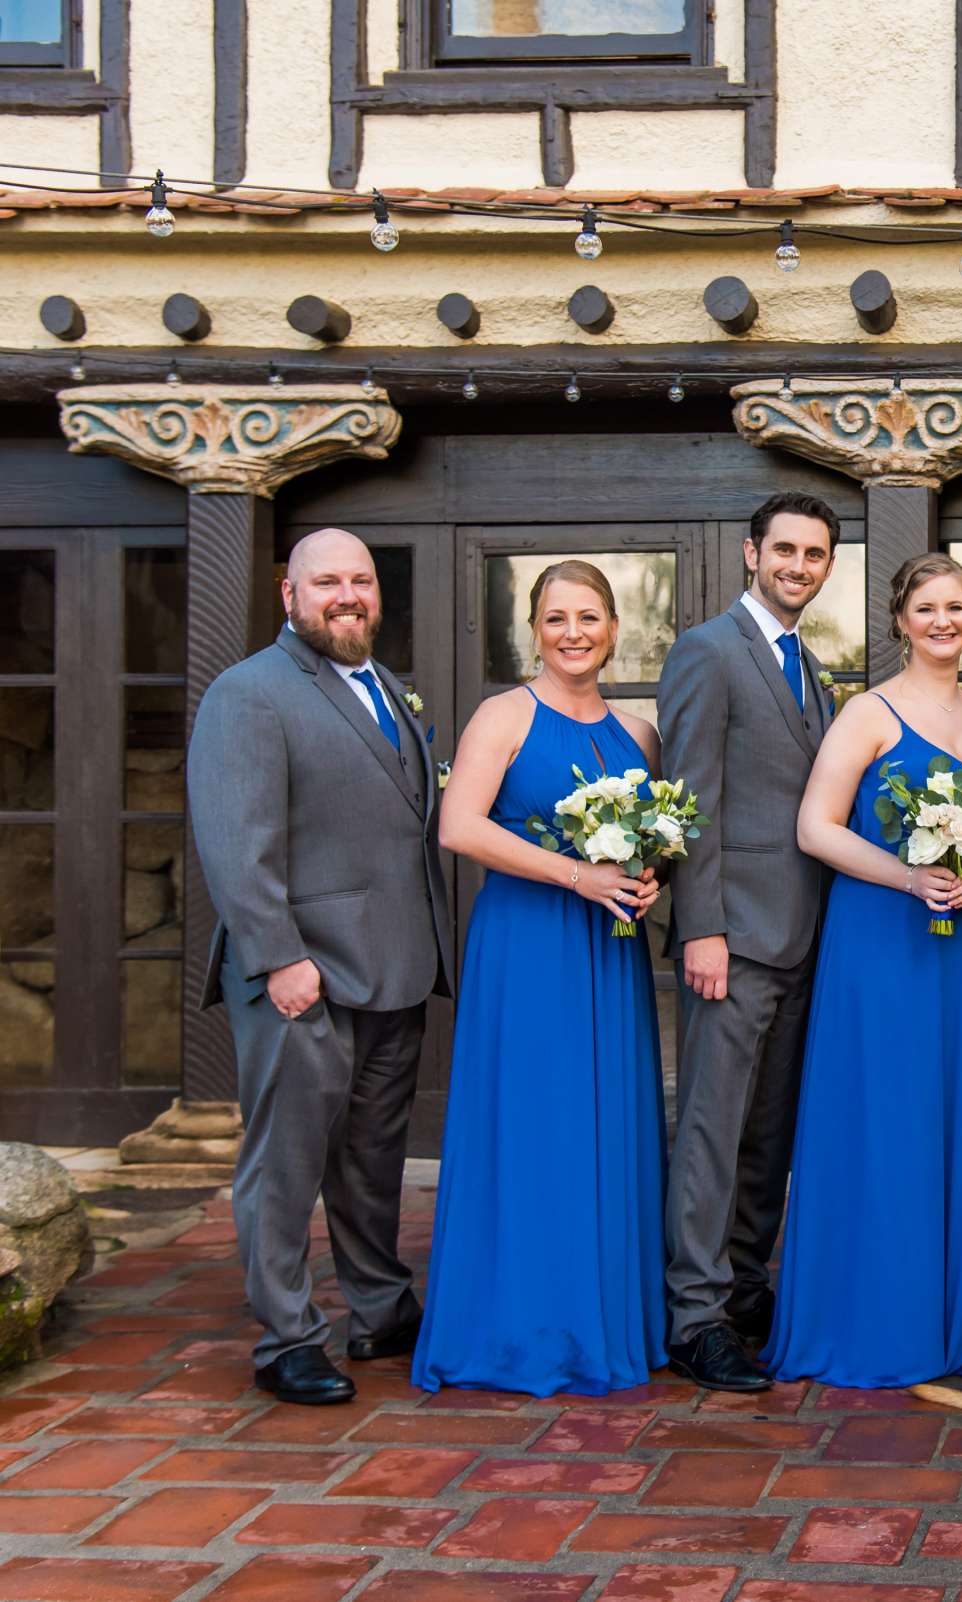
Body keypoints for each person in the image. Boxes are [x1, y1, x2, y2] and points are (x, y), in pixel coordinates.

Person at [184, 527, 455, 1406]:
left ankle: (378, 1307)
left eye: (362, 580)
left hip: (394, 969)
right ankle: (288, 1338)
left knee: (372, 1158)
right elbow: (236, 843)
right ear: (288, 595)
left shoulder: (387, 690)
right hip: (304, 975)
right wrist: (277, 959)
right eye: (326, 581)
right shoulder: (249, 692)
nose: (348, 595)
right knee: (285, 1162)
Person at [763, 554, 962, 1386]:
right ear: (901, 620)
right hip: (884, 946)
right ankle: (880, 1315)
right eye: (926, 608)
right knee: (890, 1121)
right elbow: (817, 827)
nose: (942, 621)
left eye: (956, 607)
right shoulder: (866, 714)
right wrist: (909, 875)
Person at [411, 561, 666, 1397]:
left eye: (588, 617)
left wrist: (645, 873)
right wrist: (575, 876)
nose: (573, 633)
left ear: (614, 627)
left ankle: (601, 1318)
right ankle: (520, 1325)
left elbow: (649, 840)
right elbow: (458, 826)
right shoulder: (504, 715)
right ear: (534, 628)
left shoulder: (641, 733)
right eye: (556, 618)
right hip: (528, 946)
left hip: (610, 947)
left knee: (606, 1121)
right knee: (535, 1122)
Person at [656, 492, 842, 1393]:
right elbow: (690, 803)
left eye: (814, 554)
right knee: (711, 1131)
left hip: (804, 938)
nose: (798, 566)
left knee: (769, 1136)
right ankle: (693, 1316)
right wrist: (704, 930)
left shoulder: (814, 668)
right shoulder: (706, 652)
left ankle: (743, 1285)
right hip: (733, 939)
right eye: (785, 551)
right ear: (750, 553)